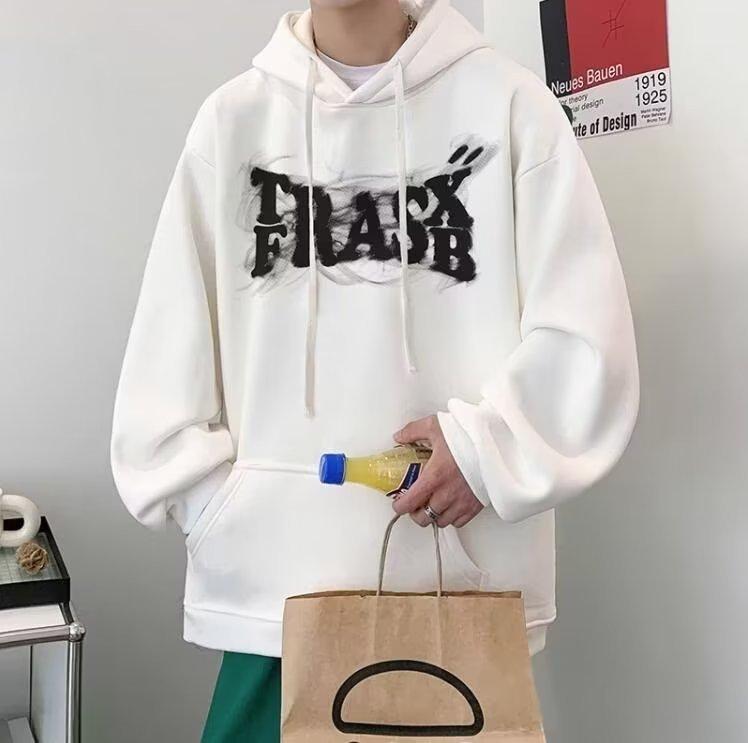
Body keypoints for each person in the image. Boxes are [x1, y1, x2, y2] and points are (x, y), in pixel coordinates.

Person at [110, 0, 640, 740]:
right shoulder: (234, 122)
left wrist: (486, 452)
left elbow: (588, 341)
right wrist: (225, 512)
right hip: (275, 613)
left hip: (460, 598)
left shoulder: (512, 107)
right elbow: (163, 366)